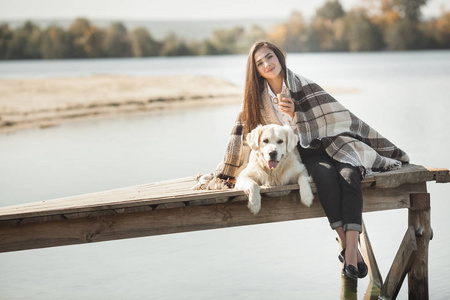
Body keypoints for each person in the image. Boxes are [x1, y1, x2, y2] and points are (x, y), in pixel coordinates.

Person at [209, 41, 410, 280]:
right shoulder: (257, 100)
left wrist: (297, 115)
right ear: (256, 70)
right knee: (324, 175)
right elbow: (248, 135)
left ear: (279, 57)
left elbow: (334, 116)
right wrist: (230, 169)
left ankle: (351, 251)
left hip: (334, 142)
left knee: (350, 174)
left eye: (269, 57)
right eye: (260, 63)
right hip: (306, 152)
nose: (267, 64)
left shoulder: (304, 86)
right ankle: (350, 250)